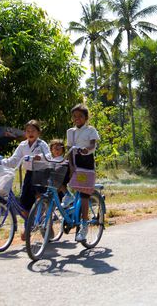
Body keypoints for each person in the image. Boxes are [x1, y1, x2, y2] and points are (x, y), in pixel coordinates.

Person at [0, 120, 52, 240]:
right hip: (29, 174)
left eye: (33, 130)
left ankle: (42, 219)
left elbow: (49, 157)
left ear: (38, 132)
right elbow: (14, 159)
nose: (30, 133)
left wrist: (40, 157)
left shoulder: (41, 144)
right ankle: (28, 226)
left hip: (41, 173)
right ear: (25, 133)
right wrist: (2, 162)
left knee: (39, 197)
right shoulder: (22, 145)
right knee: (24, 203)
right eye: (28, 131)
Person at [66, 104, 100, 242]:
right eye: (74, 116)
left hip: (86, 162)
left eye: (80, 116)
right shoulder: (70, 132)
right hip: (74, 162)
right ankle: (67, 200)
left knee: (85, 196)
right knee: (62, 182)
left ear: (86, 118)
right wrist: (71, 165)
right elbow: (69, 149)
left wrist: (87, 149)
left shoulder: (90, 130)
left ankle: (84, 225)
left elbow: (93, 145)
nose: (77, 118)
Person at [49, 139, 72, 207]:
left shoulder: (62, 159)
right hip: (54, 180)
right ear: (51, 150)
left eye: (59, 149)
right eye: (55, 149)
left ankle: (68, 195)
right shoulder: (51, 159)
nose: (57, 151)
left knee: (60, 184)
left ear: (63, 150)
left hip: (61, 176)